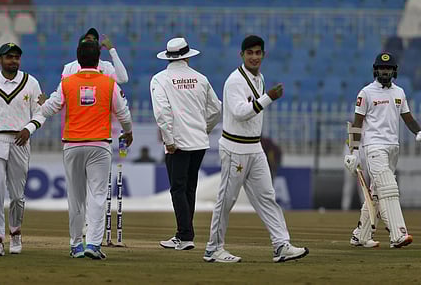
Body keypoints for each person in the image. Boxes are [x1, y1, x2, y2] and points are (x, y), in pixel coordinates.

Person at [204, 35, 309, 263]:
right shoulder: (234, 81)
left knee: (267, 197)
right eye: (249, 53)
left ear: (263, 55)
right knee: (227, 199)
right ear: (241, 55)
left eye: (257, 53)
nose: (254, 57)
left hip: (254, 147)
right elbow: (240, 112)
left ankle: (281, 245)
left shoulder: (259, 78)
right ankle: (213, 249)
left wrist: (266, 96)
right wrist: (269, 98)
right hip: (234, 148)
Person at [39, 40, 133, 259]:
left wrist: (42, 103)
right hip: (99, 144)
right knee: (98, 196)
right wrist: (128, 132)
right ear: (98, 60)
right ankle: (93, 244)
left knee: (76, 197)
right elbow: (124, 113)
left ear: (78, 60)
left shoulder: (67, 83)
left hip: (72, 144)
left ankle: (75, 245)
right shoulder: (109, 84)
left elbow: (48, 109)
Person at [344, 52, 421, 248]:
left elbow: (407, 118)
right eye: (382, 68)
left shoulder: (399, 92)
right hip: (374, 147)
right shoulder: (366, 93)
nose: (385, 71)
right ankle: (398, 234)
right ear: (376, 70)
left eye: (389, 69)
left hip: (393, 148)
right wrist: (353, 152)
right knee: (388, 188)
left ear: (394, 71)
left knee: (376, 194)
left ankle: (360, 235)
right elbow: (357, 124)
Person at [0, 43, 46, 256]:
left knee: (16, 195)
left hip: (19, 141)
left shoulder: (31, 82)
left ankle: (15, 232)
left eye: (16, 57)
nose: (13, 60)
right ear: (0, 60)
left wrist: (29, 129)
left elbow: (40, 112)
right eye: (9, 57)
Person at [150, 37, 221, 251]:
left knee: (178, 189)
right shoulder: (201, 78)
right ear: (187, 57)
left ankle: (184, 235)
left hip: (178, 143)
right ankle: (186, 233)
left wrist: (169, 140)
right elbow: (216, 109)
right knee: (189, 188)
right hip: (199, 142)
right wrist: (204, 129)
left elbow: (162, 112)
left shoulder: (160, 79)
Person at [62, 27, 129, 84]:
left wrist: (112, 50)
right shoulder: (69, 68)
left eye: (95, 40)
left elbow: (123, 79)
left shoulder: (106, 67)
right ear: (80, 45)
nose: (92, 41)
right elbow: (62, 93)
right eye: (88, 39)